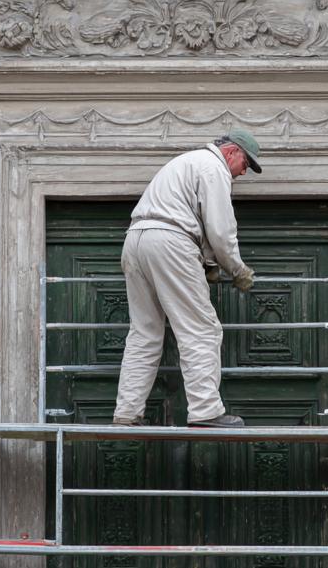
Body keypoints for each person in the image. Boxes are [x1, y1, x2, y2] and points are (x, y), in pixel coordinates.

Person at [111, 130, 263, 428]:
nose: (244, 172)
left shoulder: (185, 163)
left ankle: (127, 413)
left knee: (144, 333)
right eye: (245, 163)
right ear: (231, 152)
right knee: (201, 329)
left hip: (136, 240)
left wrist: (206, 263)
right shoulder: (213, 167)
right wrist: (238, 269)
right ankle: (206, 411)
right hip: (171, 241)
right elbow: (220, 230)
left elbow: (187, 215)